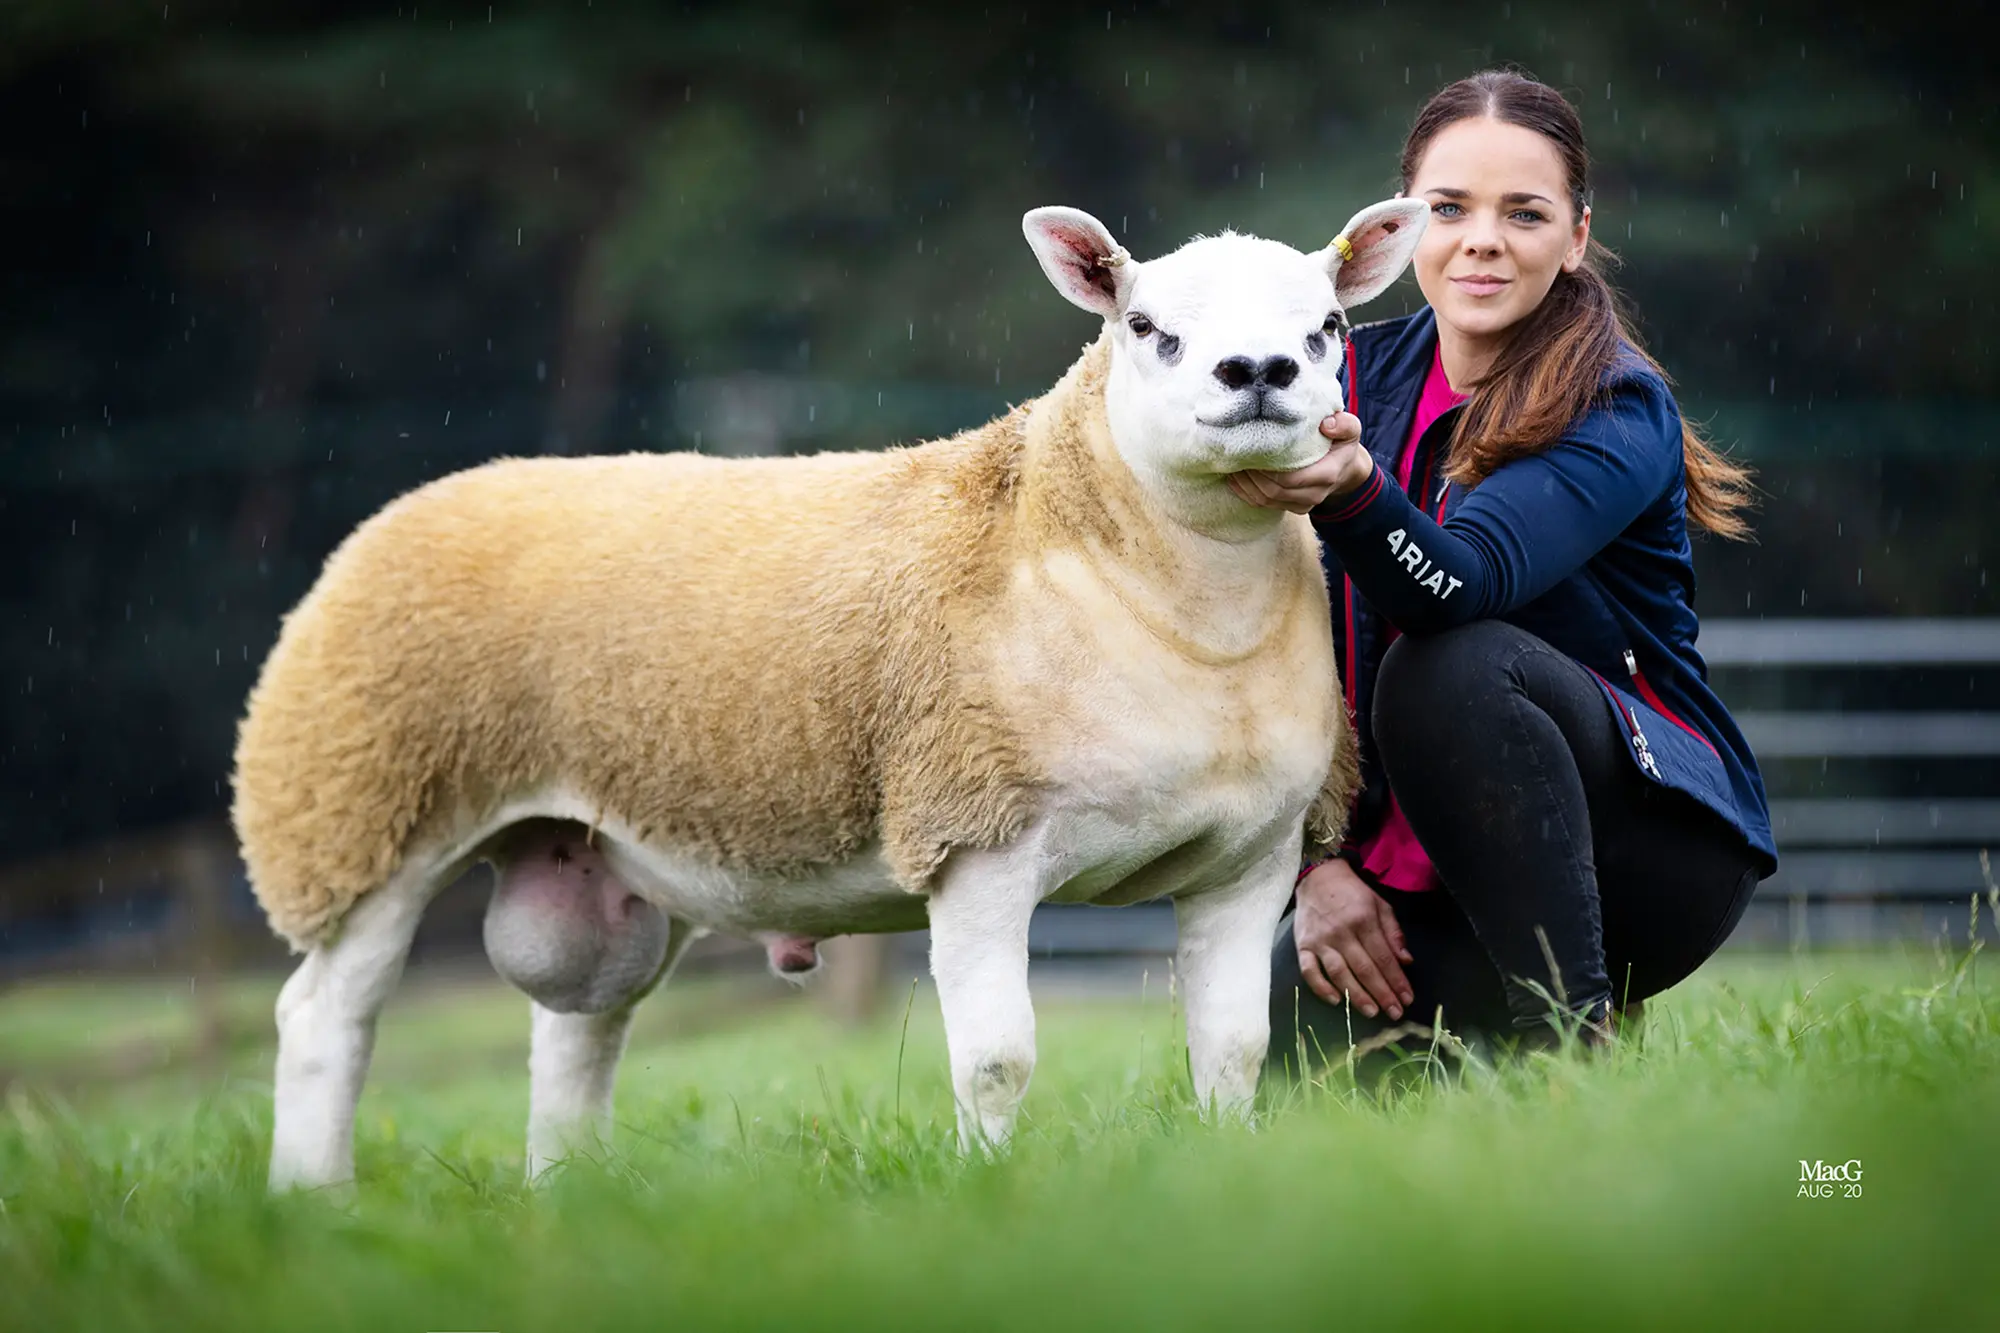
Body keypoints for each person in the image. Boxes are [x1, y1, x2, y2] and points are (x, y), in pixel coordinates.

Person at [1227, 70, 1776, 1066]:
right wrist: (1314, 865)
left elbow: (1457, 585)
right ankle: (1480, 1037)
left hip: (1646, 853)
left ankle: (1573, 1049)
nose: (1480, 238)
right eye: (1448, 209)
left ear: (1572, 237)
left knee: (1454, 663)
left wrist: (1352, 491)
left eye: (1522, 212)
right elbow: (1237, 632)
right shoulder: (1340, 372)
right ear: (1400, 230)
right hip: (1404, 872)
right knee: (1290, 1085)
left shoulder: (1617, 405)